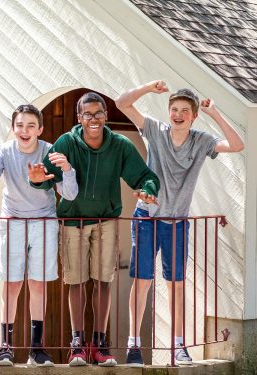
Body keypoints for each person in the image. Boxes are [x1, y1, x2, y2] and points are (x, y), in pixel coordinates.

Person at [115, 81, 244, 366]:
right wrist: (148, 88)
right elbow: (122, 103)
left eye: (185, 110)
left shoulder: (201, 141)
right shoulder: (156, 131)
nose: (178, 114)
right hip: (147, 217)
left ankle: (178, 346)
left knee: (176, 284)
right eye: (174, 109)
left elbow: (237, 145)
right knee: (142, 282)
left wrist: (216, 115)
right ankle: (133, 346)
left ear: (193, 115)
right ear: (168, 111)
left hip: (176, 222)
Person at [29, 92, 159, 367]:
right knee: (76, 282)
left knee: (102, 282)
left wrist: (147, 190)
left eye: (98, 113)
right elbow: (47, 177)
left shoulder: (120, 145)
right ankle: (77, 344)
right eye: (87, 114)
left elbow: (145, 176)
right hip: (73, 222)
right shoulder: (66, 142)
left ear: (106, 116)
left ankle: (100, 344)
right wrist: (39, 181)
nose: (93, 119)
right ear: (79, 118)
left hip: (105, 221)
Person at [0, 104, 78, 367]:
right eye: (20, 125)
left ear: (40, 129)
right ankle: (5, 347)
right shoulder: (4, 151)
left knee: (39, 284)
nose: (25, 131)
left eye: (31, 126)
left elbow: (70, 193)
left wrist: (67, 171)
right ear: (13, 128)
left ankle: (36, 349)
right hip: (14, 222)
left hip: (43, 222)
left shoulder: (51, 151)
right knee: (11, 284)